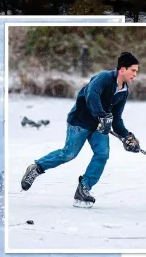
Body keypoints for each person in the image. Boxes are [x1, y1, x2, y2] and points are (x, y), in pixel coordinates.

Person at [20, 51, 140, 207]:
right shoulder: (104, 78)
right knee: (69, 154)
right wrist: (102, 115)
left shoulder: (123, 91)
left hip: (99, 127)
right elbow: (92, 95)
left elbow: (116, 118)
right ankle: (37, 167)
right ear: (122, 69)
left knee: (102, 154)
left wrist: (127, 136)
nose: (135, 74)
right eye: (133, 70)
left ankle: (84, 188)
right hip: (80, 121)